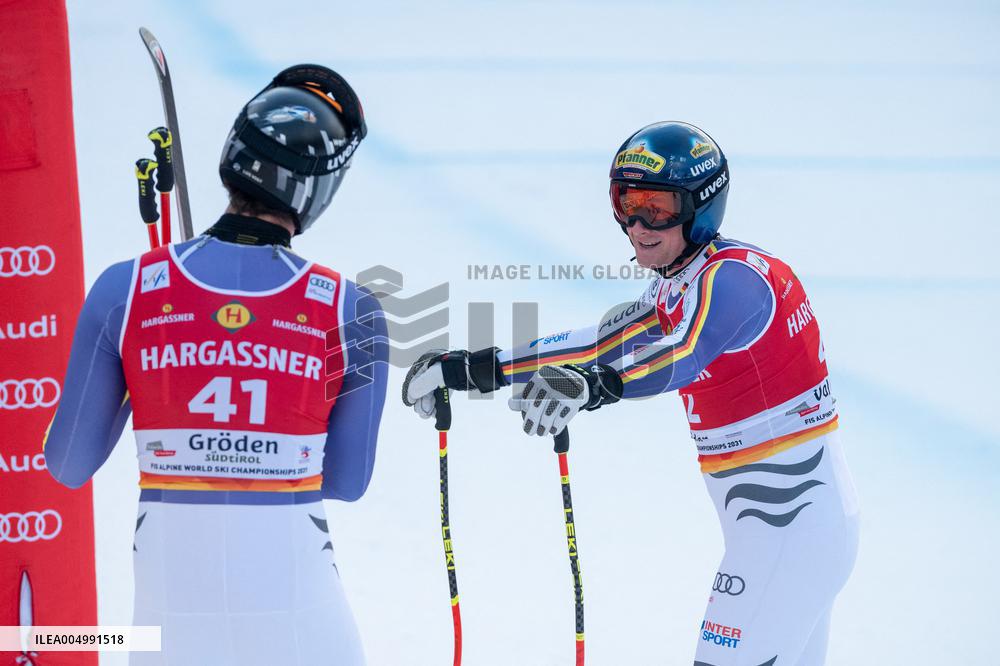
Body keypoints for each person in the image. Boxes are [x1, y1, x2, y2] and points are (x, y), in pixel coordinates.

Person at [403, 122, 859, 665]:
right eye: (626, 202)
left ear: (701, 205)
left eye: (658, 208)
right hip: (794, 527)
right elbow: (601, 344)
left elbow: (681, 354)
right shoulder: (683, 278)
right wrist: (477, 368)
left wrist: (596, 387)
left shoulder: (735, 280)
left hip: (787, 524)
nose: (638, 225)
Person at [45, 65, 387, 666]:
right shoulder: (349, 308)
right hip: (301, 623)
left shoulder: (125, 289)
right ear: (317, 189)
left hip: (168, 630)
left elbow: (68, 464)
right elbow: (347, 481)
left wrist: (150, 382)